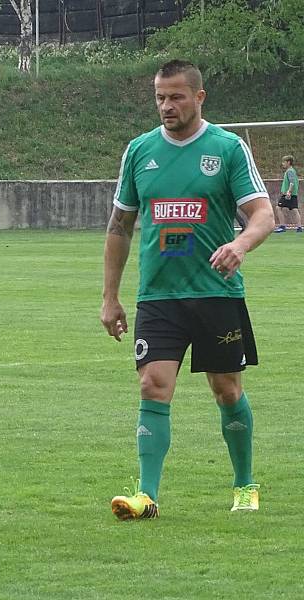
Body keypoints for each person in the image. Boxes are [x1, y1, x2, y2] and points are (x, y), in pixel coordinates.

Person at [100, 60, 275, 521]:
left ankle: (244, 485)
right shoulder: (139, 151)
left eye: (176, 96)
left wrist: (239, 244)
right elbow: (120, 226)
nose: (166, 106)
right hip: (158, 296)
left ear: (199, 97)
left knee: (226, 389)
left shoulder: (227, 148)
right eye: (160, 97)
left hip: (217, 294)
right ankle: (147, 495)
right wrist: (109, 296)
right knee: (152, 385)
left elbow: (263, 214)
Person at [273, 155, 300, 232]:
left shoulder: (290, 171)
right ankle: (299, 227)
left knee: (278, 208)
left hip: (288, 194)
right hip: (293, 194)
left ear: (288, 162)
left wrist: (289, 191)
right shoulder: (292, 170)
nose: (283, 164)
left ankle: (282, 226)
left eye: (284, 162)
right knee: (295, 209)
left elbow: (292, 182)